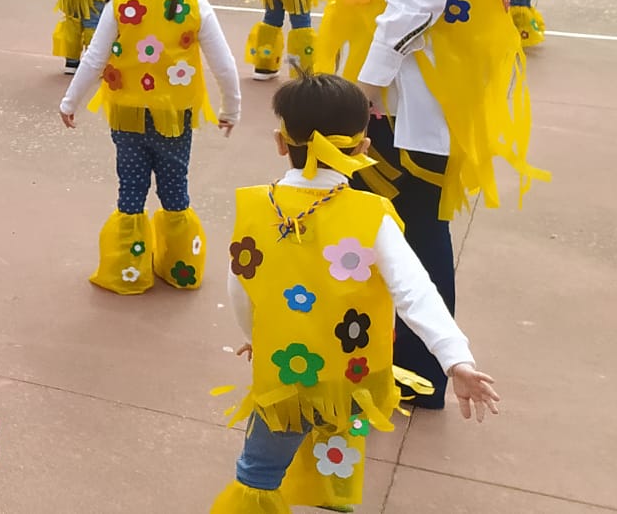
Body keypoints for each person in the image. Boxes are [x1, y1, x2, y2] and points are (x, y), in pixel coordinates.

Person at [319, 0, 545, 410]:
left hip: (406, 100)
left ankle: (416, 371)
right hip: (415, 94)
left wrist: (363, 89)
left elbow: (414, 7)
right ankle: (408, 361)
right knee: (411, 225)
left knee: (410, 228)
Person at [210, 73, 500, 513]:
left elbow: (240, 286)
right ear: (364, 148)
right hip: (352, 377)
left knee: (258, 472)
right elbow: (415, 291)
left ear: (280, 142)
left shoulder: (255, 208)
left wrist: (257, 335)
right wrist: (454, 357)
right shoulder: (371, 216)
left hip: (285, 377)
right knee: (337, 462)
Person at [60, 0, 242, 295]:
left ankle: (128, 268)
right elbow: (223, 64)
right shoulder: (195, 3)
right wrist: (231, 109)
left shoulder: (121, 3)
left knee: (131, 189)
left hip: (127, 114)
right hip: (176, 116)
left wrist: (70, 101)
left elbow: (94, 59)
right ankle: (180, 268)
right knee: (176, 189)